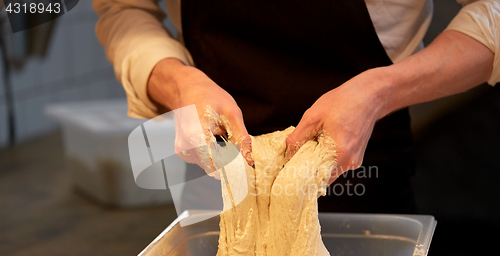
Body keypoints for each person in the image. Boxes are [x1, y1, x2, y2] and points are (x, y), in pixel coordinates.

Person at [93, 0, 499, 214]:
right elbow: (124, 9)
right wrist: (180, 84)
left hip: (361, 180)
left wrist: (381, 91)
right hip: (214, 178)